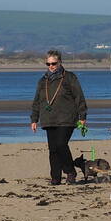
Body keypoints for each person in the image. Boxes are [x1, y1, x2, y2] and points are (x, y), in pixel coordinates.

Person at [29, 49, 87, 185]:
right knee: (53, 149)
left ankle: (70, 171)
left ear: (60, 62)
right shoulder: (43, 81)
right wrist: (34, 119)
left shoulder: (69, 77)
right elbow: (37, 100)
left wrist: (82, 116)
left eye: (53, 64)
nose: (51, 66)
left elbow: (79, 97)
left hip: (67, 118)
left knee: (61, 145)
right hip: (49, 119)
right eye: (48, 64)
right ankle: (55, 177)